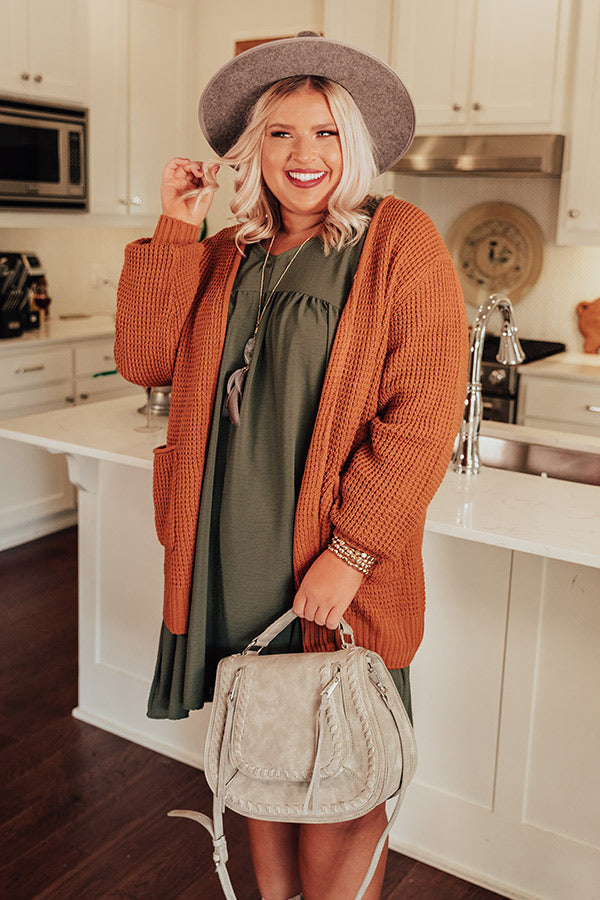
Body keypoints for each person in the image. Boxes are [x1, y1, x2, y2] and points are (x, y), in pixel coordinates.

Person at [115, 32, 468, 900]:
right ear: (254, 148)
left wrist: (349, 557)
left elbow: (423, 413)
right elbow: (144, 357)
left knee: (344, 771)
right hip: (227, 560)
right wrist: (176, 221)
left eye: (326, 134)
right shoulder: (230, 250)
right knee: (262, 756)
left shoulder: (398, 239)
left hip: (331, 565)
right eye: (281, 134)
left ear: (356, 146)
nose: (303, 156)